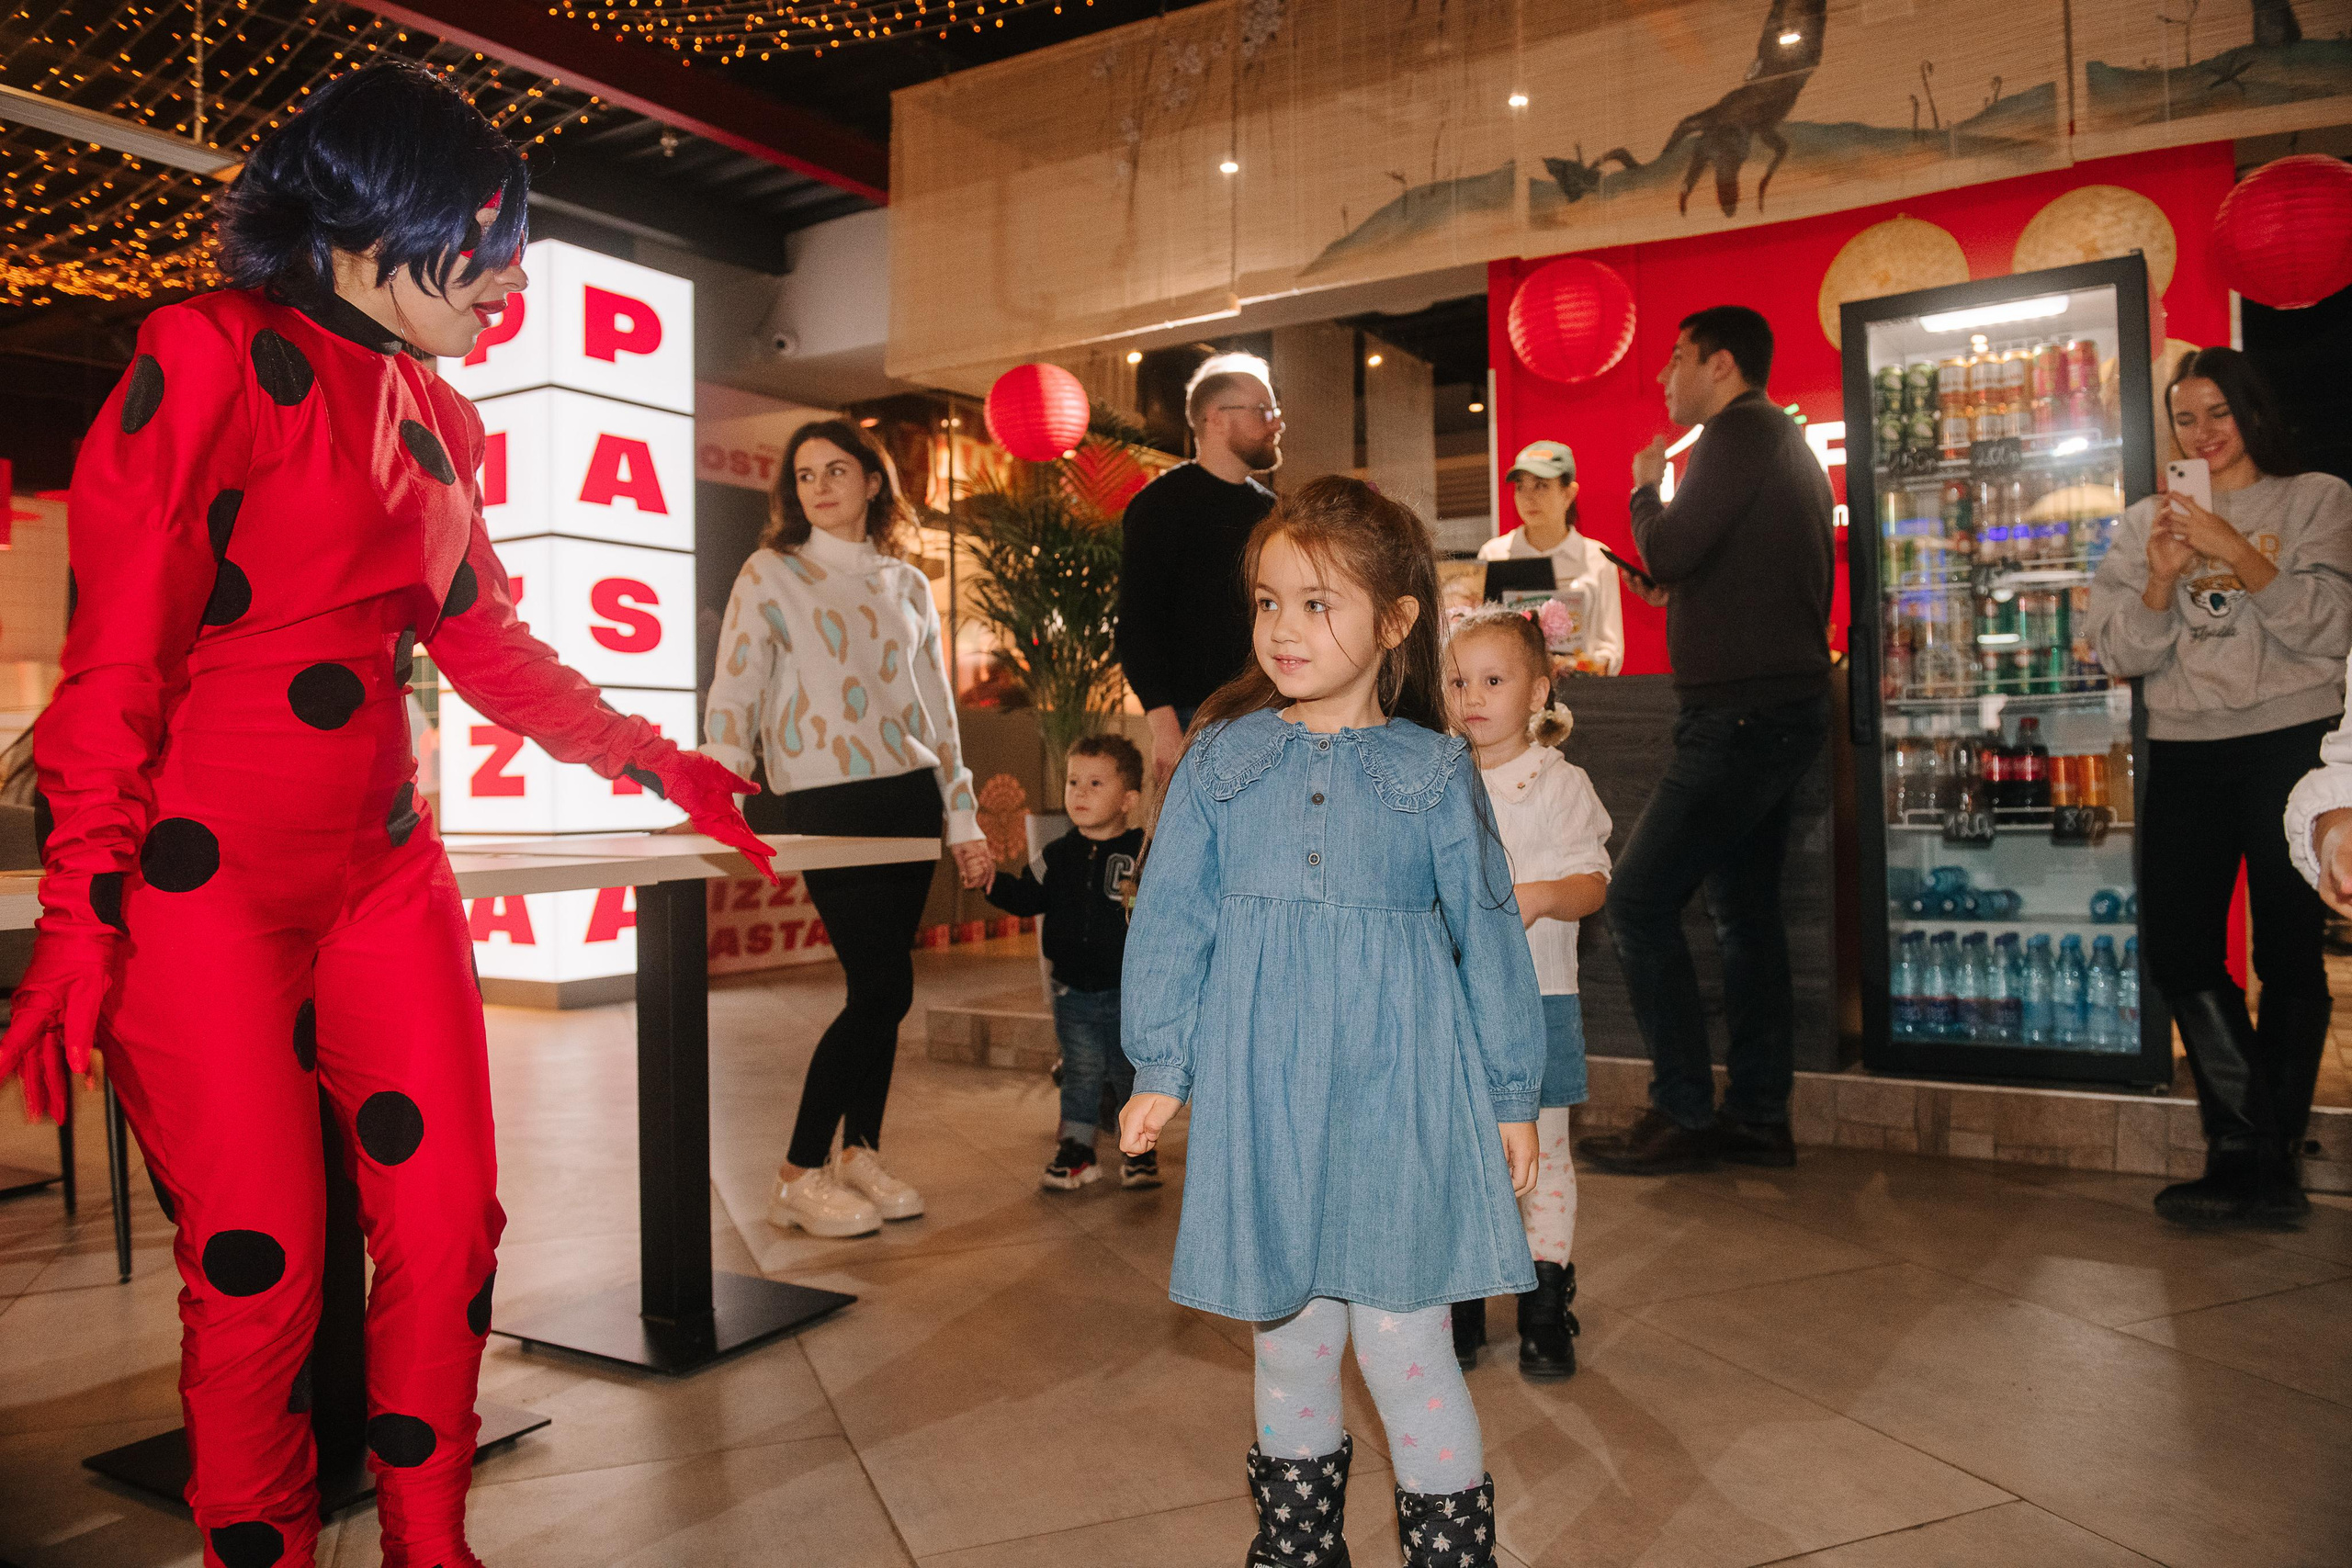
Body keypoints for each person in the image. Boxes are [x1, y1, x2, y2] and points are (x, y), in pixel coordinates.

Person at [0, 62, 775, 1568]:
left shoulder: (441, 418)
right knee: (264, 1265)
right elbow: (117, 651)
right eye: (477, 242)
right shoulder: (208, 353)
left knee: (449, 1226)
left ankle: (432, 1540)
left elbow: (485, 638)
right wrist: (87, 905)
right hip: (201, 886)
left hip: (381, 873)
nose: (507, 282)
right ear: (362, 232)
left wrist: (647, 754)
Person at [1118, 475, 1542, 1567]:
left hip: (1400, 1090)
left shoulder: (1435, 771)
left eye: (1318, 603)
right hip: (1262, 1090)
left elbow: (1489, 934)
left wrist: (1510, 1094)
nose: (1284, 629)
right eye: (1267, 602)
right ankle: (1297, 1549)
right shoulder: (1220, 758)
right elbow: (1171, 920)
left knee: (1406, 1342)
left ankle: (1452, 1554)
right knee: (1291, 1339)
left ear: (1395, 622)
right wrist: (1160, 1062)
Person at [703, 420, 995, 1239]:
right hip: (829, 798)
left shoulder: (904, 581)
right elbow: (738, 686)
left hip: (907, 794)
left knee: (887, 987)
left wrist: (961, 812)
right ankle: (798, 1171)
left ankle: (859, 1150)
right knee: (881, 988)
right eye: (804, 475)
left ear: (874, 481)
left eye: (837, 470)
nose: (820, 486)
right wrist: (718, 792)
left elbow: (935, 708)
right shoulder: (772, 573)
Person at [2092, 346, 2352, 1228]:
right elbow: (2119, 652)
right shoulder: (2139, 525)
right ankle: (2252, 1151)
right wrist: (2163, 574)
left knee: (2287, 954)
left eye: (2218, 414)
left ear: (2252, 412)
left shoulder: (2317, 497)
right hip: (2187, 749)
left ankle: (2255, 1163)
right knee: (2179, 949)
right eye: (2185, 418)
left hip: (2294, 743)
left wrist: (2232, 546)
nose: (2202, 434)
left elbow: (2329, 628)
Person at [1585, 305, 1834, 1176]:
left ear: (1720, 365)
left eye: (1676, 357)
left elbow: (1673, 547)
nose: (1664, 376)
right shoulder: (1779, 440)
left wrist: (1645, 486)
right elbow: (1712, 569)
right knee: (1744, 914)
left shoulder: (1739, 433)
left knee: (1637, 901)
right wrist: (1683, 592)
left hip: (1739, 719)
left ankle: (1685, 1112)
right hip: (1772, 711)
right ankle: (1759, 1114)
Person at [1443, 606, 1611, 1382]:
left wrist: (1540, 896)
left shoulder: (1559, 782)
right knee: (1462, 1153)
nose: (1471, 696)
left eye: (1493, 679)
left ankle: (1545, 1301)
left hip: (1538, 996)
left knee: (1541, 1153)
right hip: (1452, 1004)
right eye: (1457, 680)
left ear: (1539, 689)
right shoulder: (1440, 783)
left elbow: (1592, 881)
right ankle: (1466, 1298)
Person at [982, 733, 1151, 1191]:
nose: (1079, 792)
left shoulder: (1144, 855)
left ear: (1128, 800)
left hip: (1127, 991)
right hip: (1070, 990)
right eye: (1074, 780)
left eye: (1096, 783)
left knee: (1124, 1069)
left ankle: (1138, 1149)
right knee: (1081, 1068)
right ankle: (1077, 1150)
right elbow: (1024, 896)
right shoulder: (1054, 856)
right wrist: (989, 881)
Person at [1116, 352, 1283, 783]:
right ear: (1216, 418)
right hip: (1198, 718)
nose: (1276, 422)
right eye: (1264, 410)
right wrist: (1165, 728)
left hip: (1273, 711)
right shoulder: (1161, 506)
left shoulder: (1273, 512)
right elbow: (1137, 622)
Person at [1476, 440, 1625, 675]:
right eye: (1520, 487)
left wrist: (1575, 666)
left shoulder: (1597, 557)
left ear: (1568, 494)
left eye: (1541, 486)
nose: (1528, 497)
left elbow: (1610, 651)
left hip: (1579, 695)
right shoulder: (1493, 554)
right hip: (1509, 695)